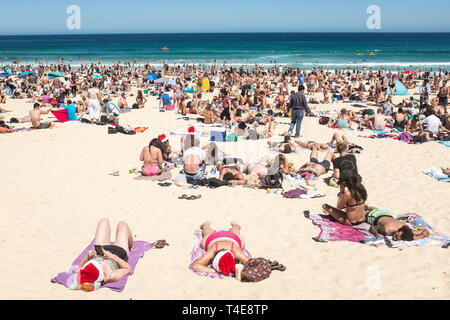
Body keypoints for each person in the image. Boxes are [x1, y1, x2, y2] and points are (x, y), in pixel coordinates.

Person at [69, 218, 135, 291]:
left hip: (101, 250)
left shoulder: (86, 273)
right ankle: (132, 245)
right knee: (122, 225)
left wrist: (87, 257)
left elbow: (78, 268)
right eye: (99, 265)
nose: (100, 263)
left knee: (104, 221)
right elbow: (127, 268)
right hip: (118, 251)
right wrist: (113, 257)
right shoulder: (111, 276)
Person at [366, 208, 430, 241]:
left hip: (387, 215)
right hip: (373, 215)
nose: (394, 239)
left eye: (398, 238)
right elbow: (372, 227)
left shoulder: (406, 228)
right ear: (400, 231)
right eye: (396, 236)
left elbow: (426, 233)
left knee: (372, 208)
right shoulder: (387, 230)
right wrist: (376, 234)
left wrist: (420, 236)